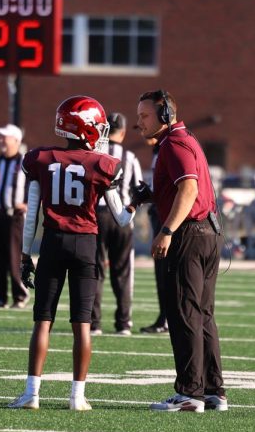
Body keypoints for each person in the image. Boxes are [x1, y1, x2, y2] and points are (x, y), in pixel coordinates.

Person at [7, 96, 135, 411]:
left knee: (43, 321)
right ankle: (77, 397)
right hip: (86, 246)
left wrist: (25, 256)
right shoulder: (104, 165)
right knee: (82, 324)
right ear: (88, 128)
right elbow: (121, 218)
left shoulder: (41, 158)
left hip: (53, 243)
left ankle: (31, 394)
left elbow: (32, 214)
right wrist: (138, 202)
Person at [135, 89, 226, 412]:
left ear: (164, 115)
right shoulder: (184, 140)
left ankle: (190, 392)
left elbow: (189, 189)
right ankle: (213, 389)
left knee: (185, 313)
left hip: (189, 234)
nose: (140, 122)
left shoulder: (173, 144)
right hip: (208, 233)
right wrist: (149, 195)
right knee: (202, 315)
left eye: (145, 116)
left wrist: (167, 230)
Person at [92, 112, 143, 336]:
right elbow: (139, 189)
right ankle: (123, 323)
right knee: (122, 271)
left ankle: (94, 324)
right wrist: (130, 210)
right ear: (122, 132)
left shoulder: (94, 155)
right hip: (121, 217)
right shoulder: (129, 157)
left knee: (95, 271)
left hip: (97, 217)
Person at [0, 123, 29, 308]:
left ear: (16, 141)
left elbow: (38, 186)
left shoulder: (25, 162)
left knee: (14, 258)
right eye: (0, 137)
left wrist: (28, 203)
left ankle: (20, 295)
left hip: (15, 217)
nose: (1, 141)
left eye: (5, 137)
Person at [138, 135, 169, 334]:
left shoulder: (168, 150)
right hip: (158, 214)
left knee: (166, 269)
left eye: (145, 119)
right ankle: (164, 317)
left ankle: (167, 318)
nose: (142, 129)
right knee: (160, 269)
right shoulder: (158, 151)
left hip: (166, 218)